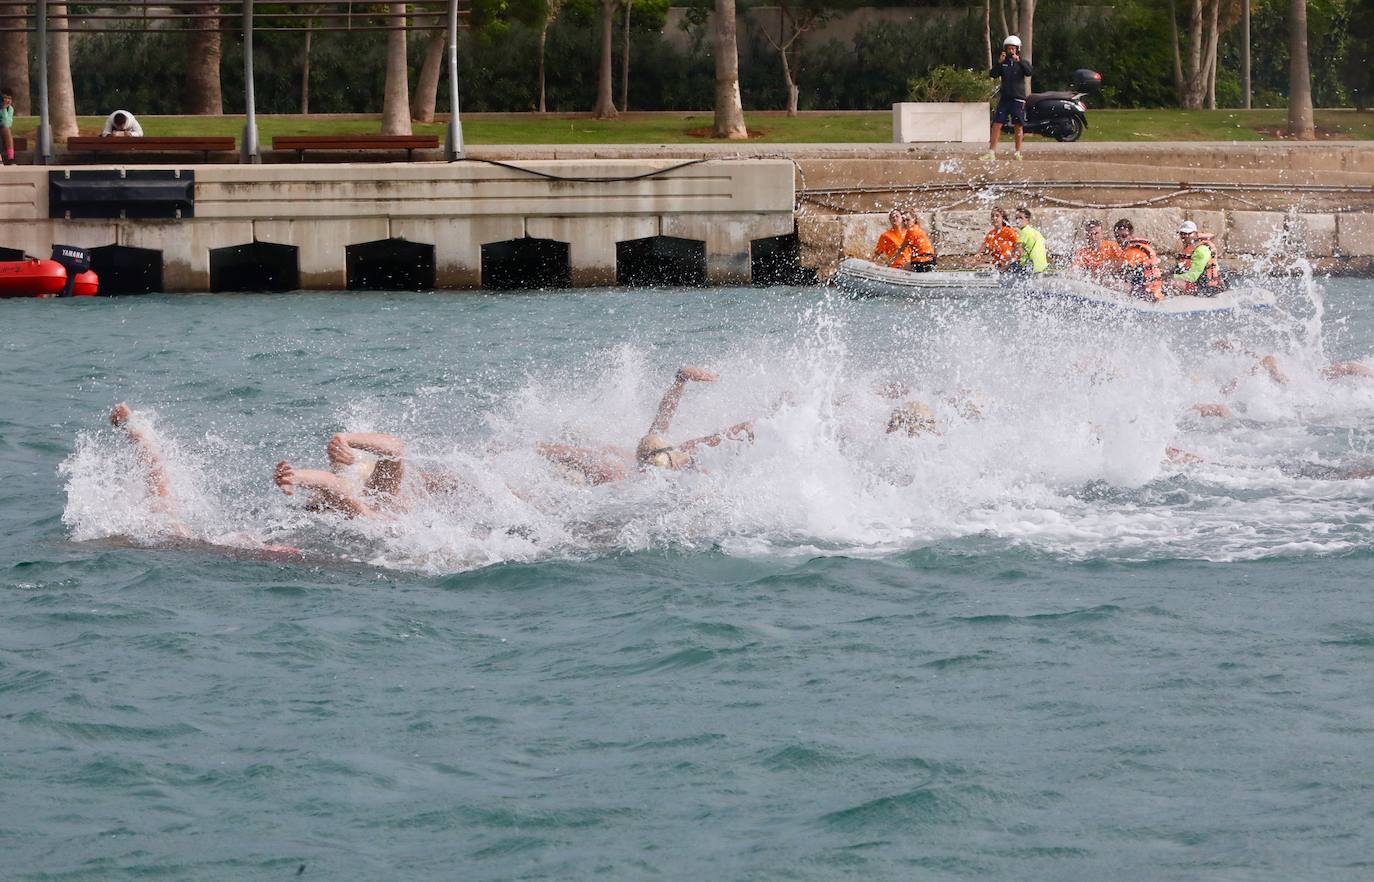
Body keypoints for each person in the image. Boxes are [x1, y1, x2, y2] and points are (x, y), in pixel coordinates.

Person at [537, 366, 753, 484]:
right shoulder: (681, 458)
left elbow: (662, 422)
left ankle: (681, 377)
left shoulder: (625, 470)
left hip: (634, 468)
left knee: (603, 454)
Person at [983, 35, 1033, 161]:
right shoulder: (1003, 63)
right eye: (1009, 48)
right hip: (1005, 99)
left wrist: (1019, 61)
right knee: (996, 124)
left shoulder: (1022, 63)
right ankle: (991, 152)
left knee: (1018, 125)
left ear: (1017, 50)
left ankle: (1017, 152)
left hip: (1018, 99)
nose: (1011, 51)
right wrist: (999, 63)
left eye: (1013, 49)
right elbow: (992, 74)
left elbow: (1029, 72)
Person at [1112, 218, 1164, 301]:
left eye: (1124, 236)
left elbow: (1115, 268)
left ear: (1131, 235)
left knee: (1108, 283)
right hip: (1155, 293)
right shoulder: (1140, 247)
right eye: (1117, 237)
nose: (1121, 240)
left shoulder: (1132, 252)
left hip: (1149, 295)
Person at [1171, 220, 1226, 296]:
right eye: (1182, 233)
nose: (1185, 236)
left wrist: (1172, 277)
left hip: (1209, 288)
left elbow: (1193, 276)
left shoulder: (1201, 250)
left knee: (1172, 283)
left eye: (1188, 233)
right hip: (1199, 285)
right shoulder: (1188, 248)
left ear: (1196, 234)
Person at [977, 207, 1021, 271]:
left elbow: (1020, 248)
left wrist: (1010, 263)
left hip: (1012, 266)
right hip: (1000, 266)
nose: (994, 218)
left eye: (997, 216)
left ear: (1003, 218)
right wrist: (978, 255)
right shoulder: (990, 234)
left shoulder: (1010, 231)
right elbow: (981, 250)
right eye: (992, 216)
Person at [1011, 206, 1048, 275]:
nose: (1017, 220)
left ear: (1028, 220)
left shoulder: (1024, 232)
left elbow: (1018, 253)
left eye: (1020, 218)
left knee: (1011, 265)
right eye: (1016, 218)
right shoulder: (1036, 232)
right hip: (1042, 267)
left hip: (1031, 268)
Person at [1, 88, 14, 165]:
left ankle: (11, 158)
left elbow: (7, 123)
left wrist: (4, 109)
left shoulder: (11, 109)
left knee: (7, 130)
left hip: (3, 129)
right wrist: (3, 108)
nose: (7, 100)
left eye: (9, 98)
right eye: (5, 98)